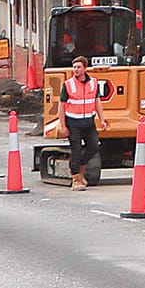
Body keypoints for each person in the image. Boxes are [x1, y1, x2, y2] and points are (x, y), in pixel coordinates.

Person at [61, 56, 105, 190]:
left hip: (88, 122)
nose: (76, 69)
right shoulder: (68, 85)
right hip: (73, 122)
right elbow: (61, 106)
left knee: (94, 146)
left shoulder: (93, 83)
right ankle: (76, 179)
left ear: (85, 69)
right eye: (74, 67)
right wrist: (63, 126)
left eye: (79, 67)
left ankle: (81, 168)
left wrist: (102, 120)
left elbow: (97, 102)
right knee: (76, 150)